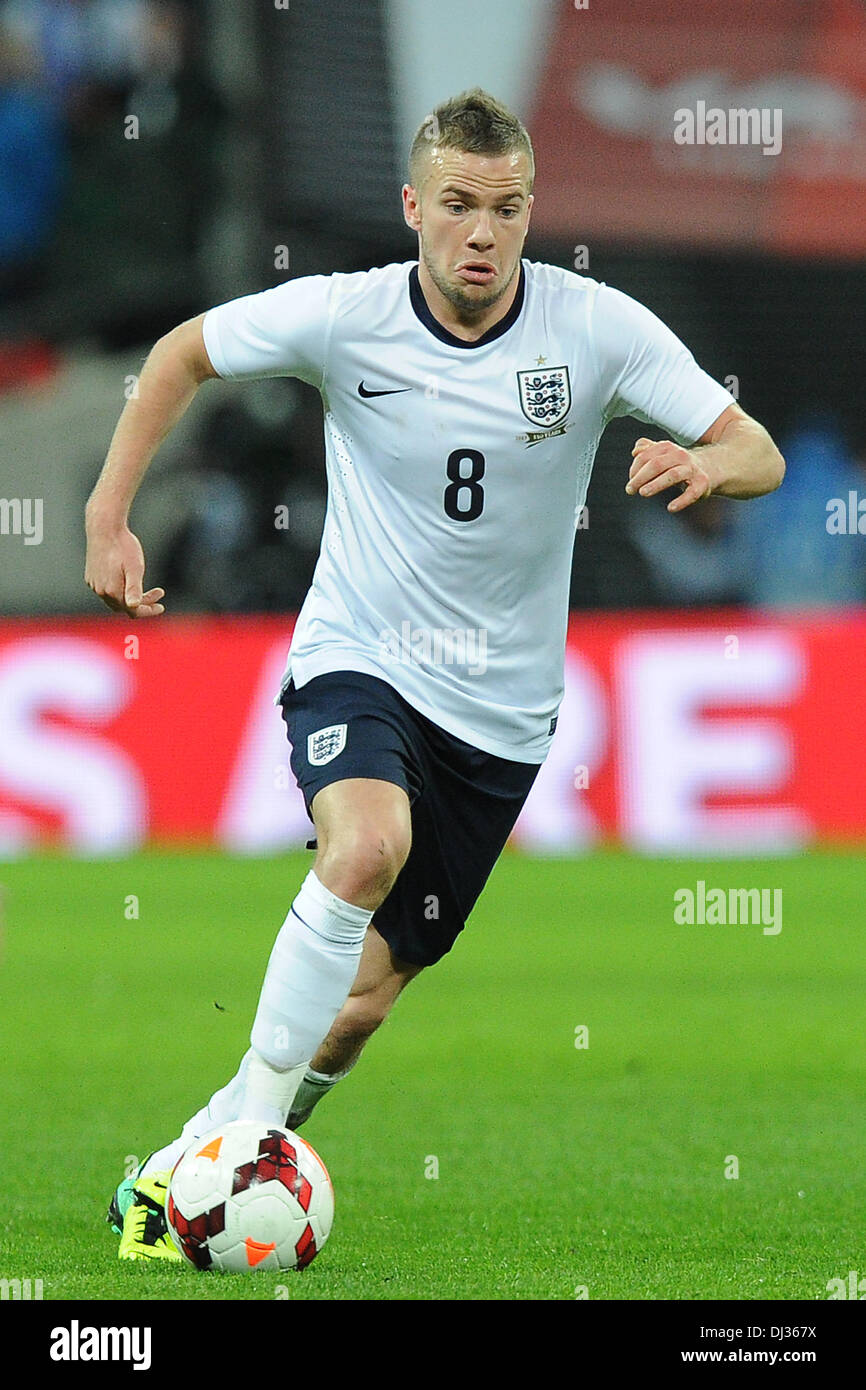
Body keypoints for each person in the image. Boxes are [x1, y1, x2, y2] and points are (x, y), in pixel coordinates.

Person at [84, 88, 785, 1261]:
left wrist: (712, 466)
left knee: (352, 1015)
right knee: (362, 848)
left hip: (500, 718)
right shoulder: (342, 317)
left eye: (505, 209)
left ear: (527, 213)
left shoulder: (596, 327)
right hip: (359, 655)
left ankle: (175, 1173)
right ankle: (253, 1139)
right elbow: (179, 354)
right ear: (413, 207)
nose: (480, 232)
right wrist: (110, 515)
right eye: (456, 205)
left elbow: (753, 444)